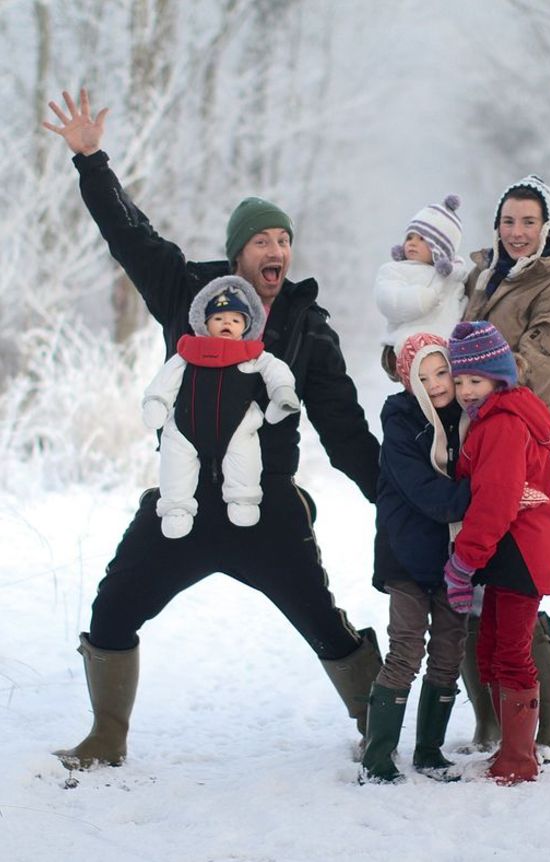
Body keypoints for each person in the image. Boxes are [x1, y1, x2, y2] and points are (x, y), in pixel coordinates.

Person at [43, 88, 382, 770]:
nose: (276, 249)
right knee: (112, 612)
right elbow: (129, 235)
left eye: (284, 239)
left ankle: (377, 724)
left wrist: (394, 495)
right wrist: (91, 161)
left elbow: (342, 427)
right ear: (237, 254)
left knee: (326, 627)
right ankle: (105, 738)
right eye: (263, 239)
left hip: (268, 511)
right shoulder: (185, 294)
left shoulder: (307, 329)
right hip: (183, 507)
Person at [458, 175, 550, 762]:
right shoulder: (485, 275)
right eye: (508, 221)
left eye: (528, 222)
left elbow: (543, 368)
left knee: (516, 583)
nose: (517, 232)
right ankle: (494, 724)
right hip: (481, 436)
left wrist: (460, 374)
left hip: (526, 444)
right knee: (473, 583)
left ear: (548, 229)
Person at [443, 321, 550, 784]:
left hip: (520, 548)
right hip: (513, 548)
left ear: (499, 378)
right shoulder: (497, 418)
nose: (465, 391)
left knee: (512, 650)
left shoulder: (502, 425)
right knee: (493, 646)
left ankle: (519, 758)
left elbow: (495, 500)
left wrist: (464, 561)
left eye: (474, 381)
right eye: (458, 382)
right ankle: (507, 746)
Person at [360, 333, 471, 784]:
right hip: (406, 555)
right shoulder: (402, 421)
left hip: (452, 558)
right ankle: (378, 756)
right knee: (406, 650)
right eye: (422, 377)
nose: (436, 384)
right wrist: (482, 496)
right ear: (409, 382)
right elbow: (429, 494)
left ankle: (429, 751)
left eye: (442, 372)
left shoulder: (470, 416)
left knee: (449, 652)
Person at [142, 274, 299, 536]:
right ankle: (176, 509)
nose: (227, 323)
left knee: (245, 458)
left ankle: (243, 500)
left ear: (247, 326)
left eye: (235, 320)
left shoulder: (252, 356)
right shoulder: (188, 353)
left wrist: (282, 392)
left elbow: (276, 370)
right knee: (175, 461)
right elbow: (164, 380)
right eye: (218, 318)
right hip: (185, 427)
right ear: (204, 323)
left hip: (236, 427)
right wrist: (157, 401)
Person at [373, 195, 468, 381]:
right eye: (409, 237)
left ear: (440, 248)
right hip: (406, 346)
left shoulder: (453, 278)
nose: (412, 242)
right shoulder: (395, 270)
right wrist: (426, 297)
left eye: (422, 238)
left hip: (446, 354)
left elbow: (462, 310)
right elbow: (389, 300)